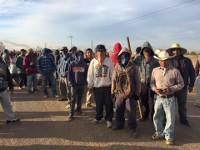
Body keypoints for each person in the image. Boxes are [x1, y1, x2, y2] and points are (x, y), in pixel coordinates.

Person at [151, 50, 184, 145]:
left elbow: (181, 84)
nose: (164, 62)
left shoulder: (174, 71)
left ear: (169, 60)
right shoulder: (155, 70)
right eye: (162, 60)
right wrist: (154, 89)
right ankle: (159, 133)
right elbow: (152, 83)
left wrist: (171, 89)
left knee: (170, 118)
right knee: (157, 116)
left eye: (166, 60)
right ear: (159, 61)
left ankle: (169, 136)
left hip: (169, 98)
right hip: (157, 98)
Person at [111, 47, 141, 138]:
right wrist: (112, 92)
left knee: (131, 111)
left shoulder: (134, 67)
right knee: (118, 108)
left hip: (131, 93)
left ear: (129, 56)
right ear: (119, 56)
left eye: (126, 54)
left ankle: (133, 128)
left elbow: (137, 81)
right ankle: (119, 124)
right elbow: (114, 80)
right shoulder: (117, 66)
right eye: (122, 55)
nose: (124, 56)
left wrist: (137, 93)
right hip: (119, 92)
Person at [167, 43, 195, 127]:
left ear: (180, 51)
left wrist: (191, 85)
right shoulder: (168, 60)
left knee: (182, 104)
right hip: (171, 87)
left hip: (183, 87)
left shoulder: (187, 60)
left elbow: (192, 73)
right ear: (172, 51)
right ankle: (169, 120)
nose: (176, 51)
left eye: (177, 50)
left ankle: (183, 119)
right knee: (169, 105)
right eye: (174, 50)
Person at [87, 44, 114, 128]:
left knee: (108, 104)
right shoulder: (93, 62)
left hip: (107, 86)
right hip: (97, 87)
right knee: (98, 103)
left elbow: (112, 74)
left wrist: (113, 86)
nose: (101, 53)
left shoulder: (109, 61)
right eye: (99, 51)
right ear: (96, 52)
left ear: (105, 52)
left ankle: (108, 119)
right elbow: (90, 74)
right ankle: (98, 117)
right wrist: (90, 86)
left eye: (103, 51)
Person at [134, 41, 159, 121]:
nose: (146, 52)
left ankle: (153, 117)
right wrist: (131, 57)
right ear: (142, 51)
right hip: (142, 83)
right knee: (143, 100)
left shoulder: (155, 59)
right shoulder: (138, 58)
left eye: (148, 50)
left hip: (152, 83)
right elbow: (132, 64)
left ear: (151, 50)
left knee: (152, 101)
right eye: (145, 50)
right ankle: (145, 115)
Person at [0, 50, 20, 123]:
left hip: (4, 88)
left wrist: (11, 86)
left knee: (7, 105)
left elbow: (8, 76)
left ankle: (10, 118)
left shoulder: (3, 63)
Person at [68, 50, 88, 121]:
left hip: (81, 85)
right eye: (78, 54)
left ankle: (79, 110)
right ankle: (71, 114)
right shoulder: (72, 64)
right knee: (73, 100)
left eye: (81, 54)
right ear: (76, 55)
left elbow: (86, 75)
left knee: (80, 99)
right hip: (74, 85)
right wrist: (70, 82)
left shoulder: (84, 65)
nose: (79, 55)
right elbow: (69, 74)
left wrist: (85, 82)